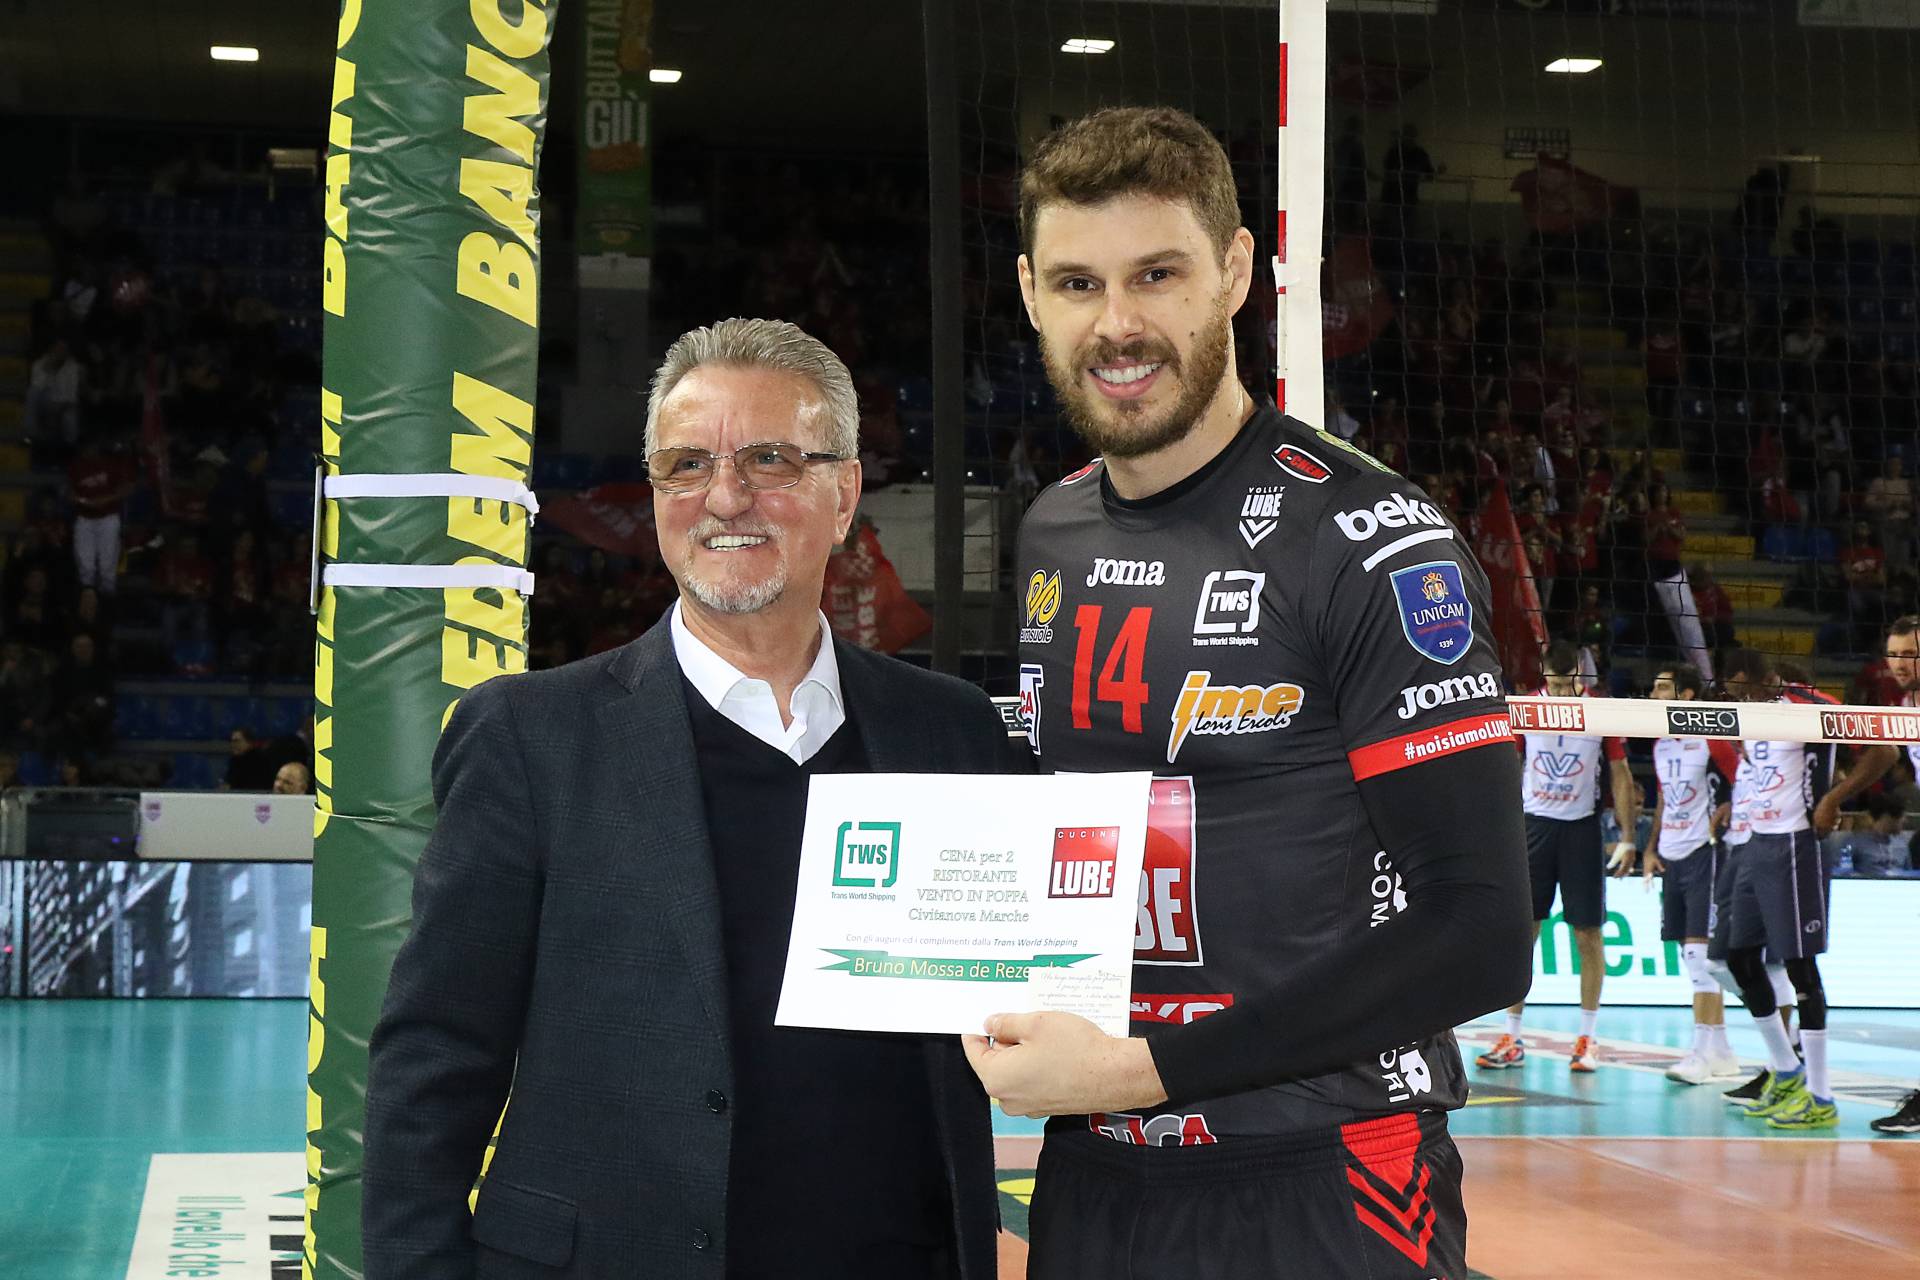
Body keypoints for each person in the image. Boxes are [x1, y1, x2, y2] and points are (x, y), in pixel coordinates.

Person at [974, 106, 1531, 1280]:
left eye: (1157, 274)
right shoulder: (1052, 527)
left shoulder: (1370, 538)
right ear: (1029, 293)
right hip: (1095, 1175)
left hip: (1326, 1177)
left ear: (1234, 272)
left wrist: (1134, 1071)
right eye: (1077, 282)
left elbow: (1481, 933)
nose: (1117, 324)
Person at [364, 319, 1010, 1279]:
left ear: (844, 495)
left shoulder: (951, 733)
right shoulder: (527, 739)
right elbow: (436, 1054)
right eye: (685, 466)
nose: (724, 497)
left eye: (769, 459)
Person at [1477, 640, 1637, 1075]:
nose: (1563, 691)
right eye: (1556, 684)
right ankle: (1511, 1035)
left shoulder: (1600, 710)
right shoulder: (1527, 707)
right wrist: (1498, 830)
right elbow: (1507, 766)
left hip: (1582, 829)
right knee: (1523, 932)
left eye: (1569, 684)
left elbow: (1621, 773)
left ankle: (1587, 1037)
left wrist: (1627, 837)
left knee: (1588, 933)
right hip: (1535, 827)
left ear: (1579, 678)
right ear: (1544, 675)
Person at [1805, 617, 1920, 1135]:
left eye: (1910, 654)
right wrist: (1836, 794)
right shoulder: (1901, 707)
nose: (1900, 663)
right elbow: (1887, 752)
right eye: (1894, 654)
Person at [1718, 647, 1838, 1129]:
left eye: (1739, 689)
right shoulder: (1747, 715)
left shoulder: (1808, 706)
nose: (1735, 699)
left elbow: (1882, 748)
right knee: (1738, 958)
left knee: (1800, 968)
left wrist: (1832, 798)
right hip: (1756, 842)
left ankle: (1821, 1096)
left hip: (1795, 845)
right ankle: (1786, 1071)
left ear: (1760, 679)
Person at [1637, 664, 1743, 1084]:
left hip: (1706, 852)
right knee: (1691, 957)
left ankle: (1701, 1053)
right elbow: (1665, 798)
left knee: (1701, 958)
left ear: (1686, 695)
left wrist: (1731, 806)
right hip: (1672, 854)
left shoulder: (1711, 740)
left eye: (1662, 687)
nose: (1653, 695)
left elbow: (1744, 778)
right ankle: (1722, 1051)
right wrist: (1651, 847)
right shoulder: (1661, 745)